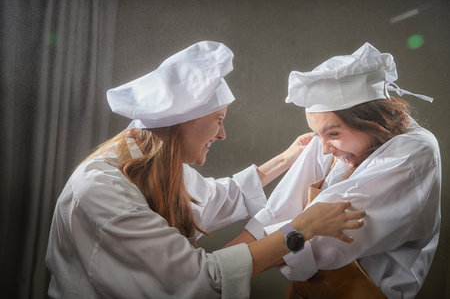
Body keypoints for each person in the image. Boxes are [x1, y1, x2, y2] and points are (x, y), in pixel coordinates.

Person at [45, 41, 365, 299]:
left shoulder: (149, 163)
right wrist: (301, 229)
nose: (222, 134)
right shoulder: (102, 193)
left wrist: (286, 158)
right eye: (220, 119)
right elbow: (198, 280)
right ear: (184, 121)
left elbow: (213, 199)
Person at [236, 42, 441, 299]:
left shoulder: (412, 154)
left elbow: (310, 246)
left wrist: (210, 278)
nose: (323, 149)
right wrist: (207, 271)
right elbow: (276, 215)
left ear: (372, 119)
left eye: (333, 134)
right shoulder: (338, 142)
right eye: (318, 134)